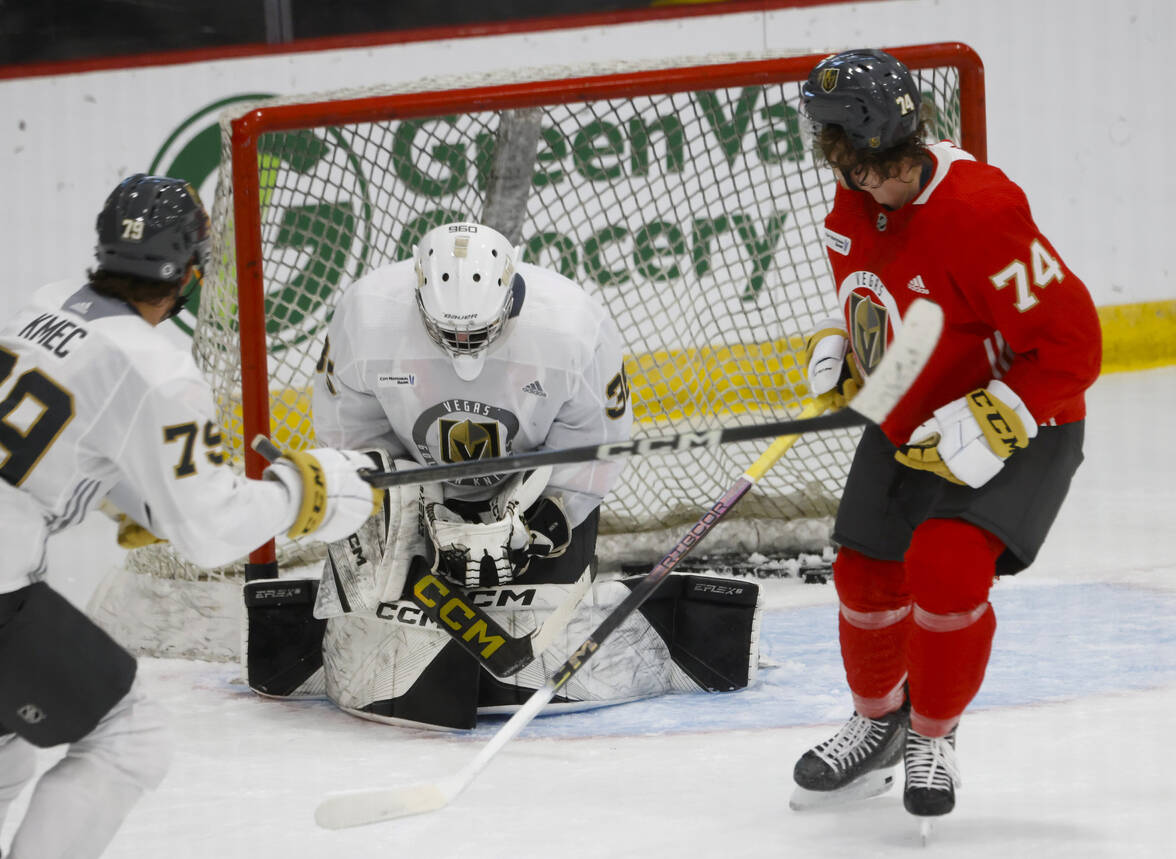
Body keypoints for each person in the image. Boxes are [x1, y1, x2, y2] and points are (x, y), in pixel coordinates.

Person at [0, 174, 379, 858]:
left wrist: (135, 498)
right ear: (192, 272)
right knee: (129, 739)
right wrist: (311, 489)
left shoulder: (44, 305)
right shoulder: (157, 368)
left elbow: (61, 446)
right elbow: (212, 527)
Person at [242, 220, 763, 731]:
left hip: (531, 495)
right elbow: (351, 436)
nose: (464, 343)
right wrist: (408, 511)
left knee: (539, 654)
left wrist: (553, 513)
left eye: (477, 330)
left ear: (511, 295)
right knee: (383, 673)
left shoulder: (572, 325)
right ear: (417, 297)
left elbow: (596, 443)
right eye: (450, 332)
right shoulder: (366, 314)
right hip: (412, 495)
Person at [789, 50, 1101, 820]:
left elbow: (1073, 347)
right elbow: (881, 295)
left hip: (1028, 413)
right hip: (913, 408)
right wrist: (842, 341)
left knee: (945, 566)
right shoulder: (852, 200)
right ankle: (877, 724)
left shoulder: (981, 211)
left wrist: (998, 416)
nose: (864, 181)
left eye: (866, 161)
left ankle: (932, 732)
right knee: (863, 574)